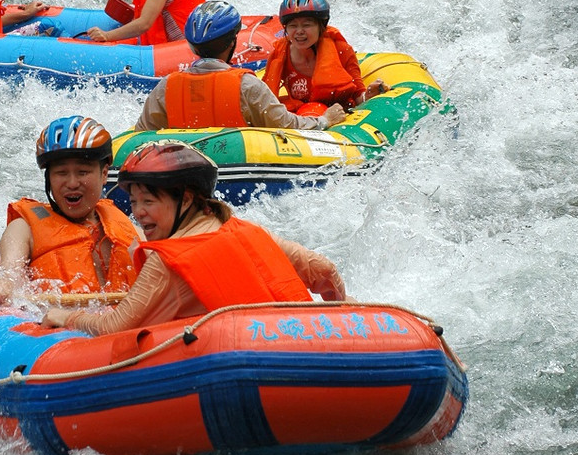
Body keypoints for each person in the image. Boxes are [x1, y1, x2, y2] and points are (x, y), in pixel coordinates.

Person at [42, 141, 348, 335]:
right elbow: (325, 270)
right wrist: (339, 323)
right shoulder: (250, 231)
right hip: (302, 343)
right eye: (134, 203)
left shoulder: (165, 261)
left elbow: (113, 327)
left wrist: (67, 318)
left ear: (186, 199)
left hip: (241, 368)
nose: (139, 214)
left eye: (149, 202)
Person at [0, 117, 141, 308]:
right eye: (61, 173)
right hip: (60, 331)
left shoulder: (129, 227)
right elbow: (9, 270)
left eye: (83, 172)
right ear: (49, 179)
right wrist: (1, 286)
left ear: (103, 175)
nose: (72, 183)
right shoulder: (23, 228)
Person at [135, 0, 348, 132]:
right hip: (241, 163)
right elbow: (289, 126)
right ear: (232, 42)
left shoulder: (166, 86)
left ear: (192, 46)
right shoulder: (246, 85)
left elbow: (141, 133)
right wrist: (324, 120)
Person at [263, 0, 386, 115]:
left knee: (314, 109)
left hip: (340, 114)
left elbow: (358, 96)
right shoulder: (279, 55)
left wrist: (369, 95)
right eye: (293, 26)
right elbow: (264, 99)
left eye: (307, 25)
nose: (299, 31)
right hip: (301, 117)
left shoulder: (342, 50)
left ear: (321, 27)